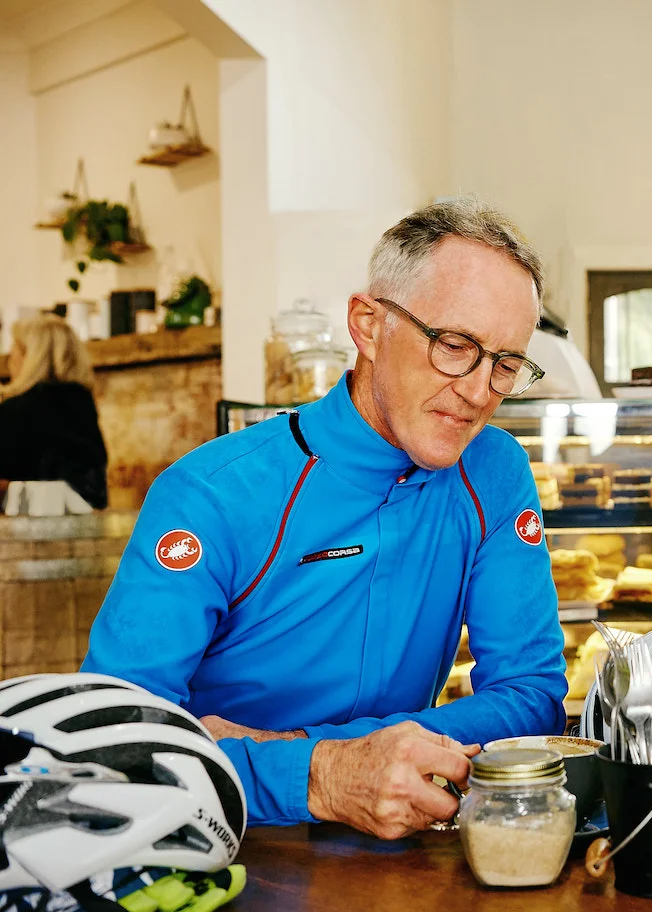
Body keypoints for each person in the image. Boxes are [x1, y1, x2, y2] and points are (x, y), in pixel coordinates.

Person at [83, 198, 568, 837]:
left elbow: (532, 698)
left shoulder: (497, 471)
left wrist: (305, 750)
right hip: (219, 847)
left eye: (505, 364)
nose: (479, 393)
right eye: (454, 345)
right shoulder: (212, 493)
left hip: (404, 851)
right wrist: (319, 773)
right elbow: (109, 744)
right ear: (368, 326)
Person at [0, 311, 108, 509]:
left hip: (23, 529)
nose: (9, 360)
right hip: (86, 523)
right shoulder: (82, 403)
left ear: (30, 357)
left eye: (14, 351)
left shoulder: (14, 410)